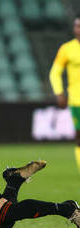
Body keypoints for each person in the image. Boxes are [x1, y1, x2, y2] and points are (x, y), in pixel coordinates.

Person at [49, 14, 80, 174]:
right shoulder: (67, 49)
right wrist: (59, 92)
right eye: (77, 26)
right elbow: (55, 72)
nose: (79, 29)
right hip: (77, 100)